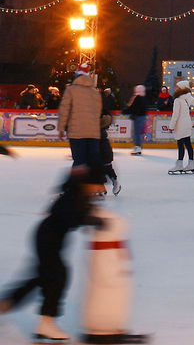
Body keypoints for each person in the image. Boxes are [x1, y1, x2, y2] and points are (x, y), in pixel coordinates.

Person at [0, 164, 106, 343]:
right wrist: (92, 220)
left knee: (43, 277)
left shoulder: (78, 192)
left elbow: (75, 211)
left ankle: (7, 303)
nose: (102, 189)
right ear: (89, 183)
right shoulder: (74, 197)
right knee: (57, 277)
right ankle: (46, 323)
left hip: (48, 238)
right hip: (48, 240)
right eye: (99, 184)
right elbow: (72, 216)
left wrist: (89, 216)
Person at [58, 63, 102, 167]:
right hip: (93, 134)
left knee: (79, 163)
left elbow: (64, 110)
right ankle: (92, 182)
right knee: (91, 164)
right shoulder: (95, 92)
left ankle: (77, 182)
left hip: (76, 133)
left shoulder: (70, 90)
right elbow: (98, 112)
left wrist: (61, 129)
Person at [169, 80, 194, 174]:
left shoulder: (178, 99)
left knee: (180, 144)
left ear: (182, 88)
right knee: (187, 143)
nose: (176, 88)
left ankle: (179, 164)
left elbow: (175, 115)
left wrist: (171, 126)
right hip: (187, 123)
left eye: (177, 87)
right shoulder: (188, 97)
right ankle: (191, 164)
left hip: (180, 124)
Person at [99, 103, 122, 196]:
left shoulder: (100, 108)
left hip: (102, 143)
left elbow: (108, 118)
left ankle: (114, 182)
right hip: (95, 142)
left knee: (106, 165)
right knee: (96, 166)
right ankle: (100, 187)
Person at [123, 85, 148, 155]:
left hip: (138, 117)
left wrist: (125, 111)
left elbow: (133, 108)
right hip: (142, 117)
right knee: (138, 133)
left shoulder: (137, 98)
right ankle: (138, 147)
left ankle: (137, 147)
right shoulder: (144, 98)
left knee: (136, 133)